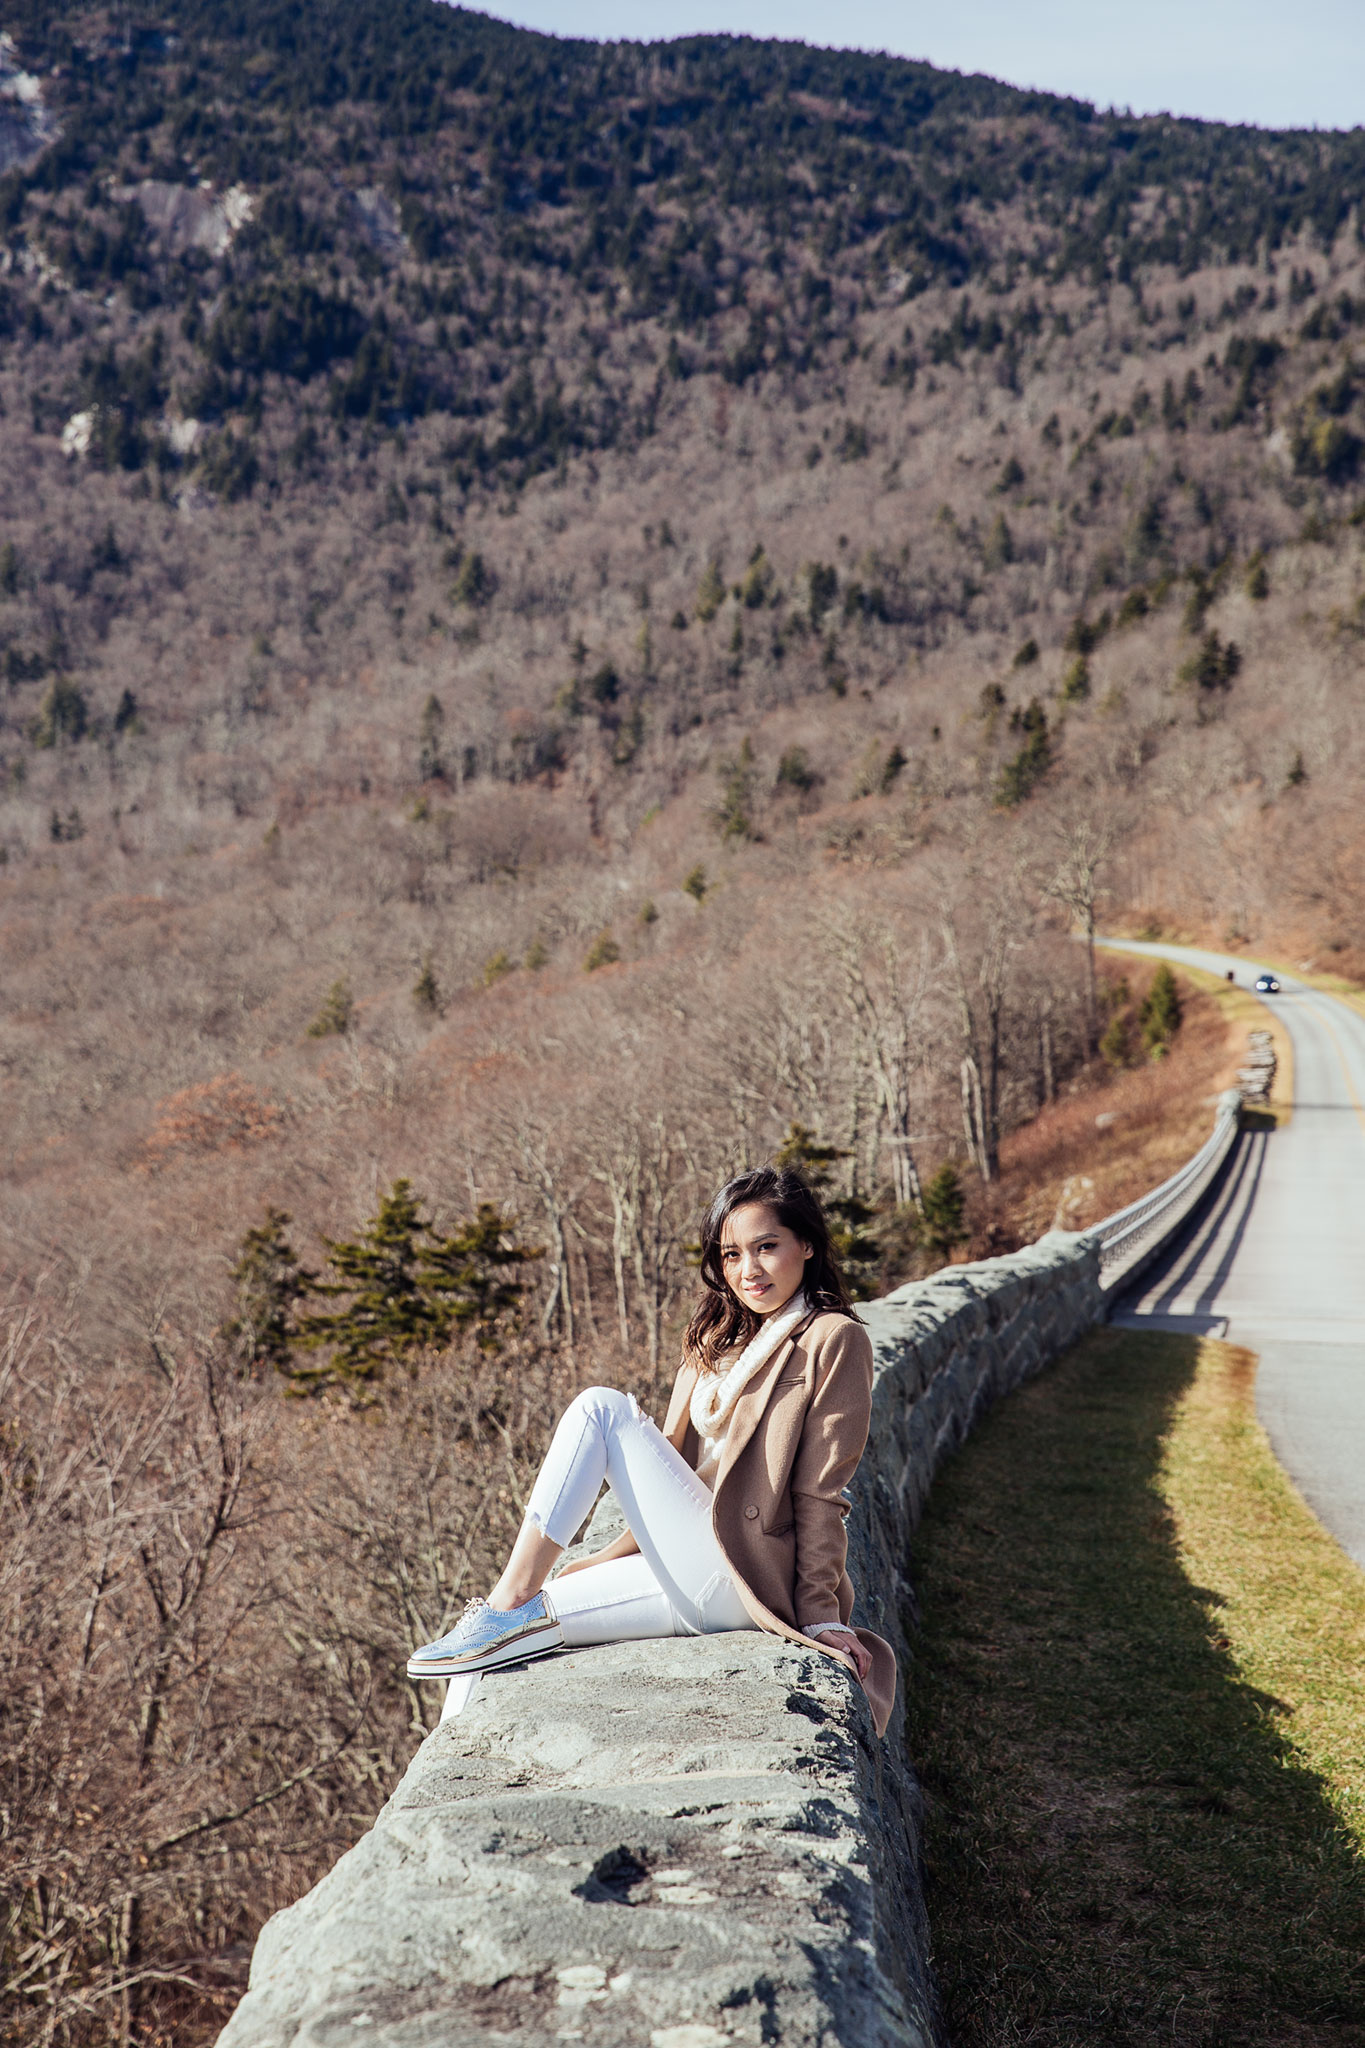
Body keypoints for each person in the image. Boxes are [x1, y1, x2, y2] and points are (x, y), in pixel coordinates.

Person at [406, 1165, 896, 1736]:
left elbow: (821, 1493)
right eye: (732, 1254)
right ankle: (443, 1784)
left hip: (744, 1575)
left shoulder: (832, 1338)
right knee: (499, 1638)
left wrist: (818, 1616)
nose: (748, 1270)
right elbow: (674, 1461)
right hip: (685, 1558)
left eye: (766, 1247)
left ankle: (507, 1594)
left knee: (600, 1408)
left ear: (807, 1244)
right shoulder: (716, 1336)